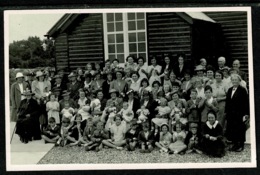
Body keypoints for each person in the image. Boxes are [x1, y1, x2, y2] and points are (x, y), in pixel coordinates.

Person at [225, 74, 249, 152]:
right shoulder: (229, 89)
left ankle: (241, 145)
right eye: (233, 80)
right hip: (231, 114)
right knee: (232, 129)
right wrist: (226, 112)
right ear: (231, 81)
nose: (234, 81)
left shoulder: (242, 90)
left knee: (240, 129)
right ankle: (235, 145)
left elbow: (246, 102)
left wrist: (246, 114)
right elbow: (227, 102)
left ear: (239, 81)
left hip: (239, 114)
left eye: (236, 80)